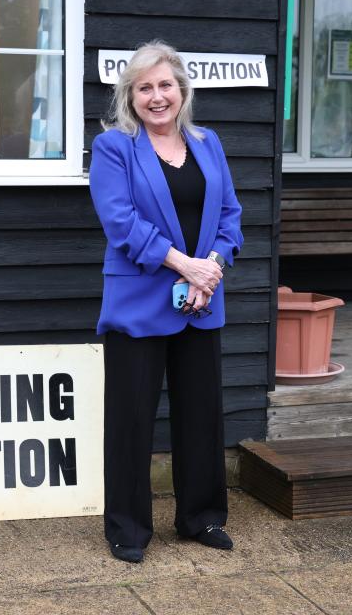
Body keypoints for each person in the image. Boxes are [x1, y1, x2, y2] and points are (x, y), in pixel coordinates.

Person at [88, 41, 244, 564]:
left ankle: (201, 519)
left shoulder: (208, 142)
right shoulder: (114, 147)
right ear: (130, 97)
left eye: (165, 85)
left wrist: (213, 268)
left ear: (182, 90)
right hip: (139, 302)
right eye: (145, 88)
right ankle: (127, 529)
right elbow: (121, 222)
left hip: (202, 299)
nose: (157, 97)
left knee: (202, 416)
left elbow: (230, 215)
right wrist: (186, 265)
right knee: (131, 419)